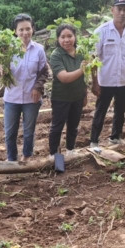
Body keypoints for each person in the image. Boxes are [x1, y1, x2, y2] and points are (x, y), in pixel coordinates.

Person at [89, 0, 125, 148]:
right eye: (119, 9)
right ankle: (94, 141)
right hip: (105, 80)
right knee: (101, 111)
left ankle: (115, 137)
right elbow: (92, 59)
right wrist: (95, 82)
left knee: (121, 110)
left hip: (124, 79)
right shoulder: (101, 31)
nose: (122, 12)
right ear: (112, 10)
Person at [2, 13, 49, 162]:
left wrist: (38, 88)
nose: (25, 33)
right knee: (10, 132)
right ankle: (11, 159)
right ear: (15, 31)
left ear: (33, 29)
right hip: (12, 97)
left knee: (29, 131)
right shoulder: (7, 50)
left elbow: (43, 72)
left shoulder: (39, 49)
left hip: (31, 97)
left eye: (28, 29)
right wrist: (2, 72)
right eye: (21, 30)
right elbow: (3, 72)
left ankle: (27, 156)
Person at [48, 23, 87, 156]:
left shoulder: (81, 52)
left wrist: (84, 94)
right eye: (62, 37)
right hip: (61, 98)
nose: (66, 40)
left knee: (73, 126)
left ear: (75, 37)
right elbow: (64, 78)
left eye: (69, 36)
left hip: (77, 96)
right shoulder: (56, 55)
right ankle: (54, 155)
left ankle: (70, 151)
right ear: (58, 39)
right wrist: (81, 70)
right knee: (57, 127)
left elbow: (85, 77)